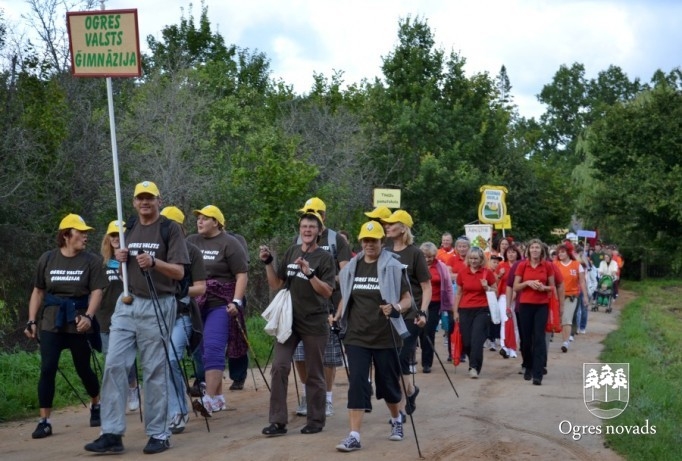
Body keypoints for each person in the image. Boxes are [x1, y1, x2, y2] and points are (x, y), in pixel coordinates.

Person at [85, 181, 190, 455]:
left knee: (155, 369)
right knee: (114, 364)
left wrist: (155, 262)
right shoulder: (129, 226)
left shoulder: (170, 228)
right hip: (127, 303)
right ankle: (111, 433)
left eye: (149, 198)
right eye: (140, 198)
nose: (145, 202)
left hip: (159, 303)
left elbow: (179, 272)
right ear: (133, 202)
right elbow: (123, 270)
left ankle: (158, 433)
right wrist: (121, 258)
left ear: (158, 199)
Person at [25, 214, 106, 439]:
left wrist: (89, 317)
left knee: (83, 367)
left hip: (79, 321)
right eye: (81, 231)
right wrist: (31, 320)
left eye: (86, 231)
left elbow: (97, 291)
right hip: (52, 321)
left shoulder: (91, 261)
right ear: (66, 235)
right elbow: (38, 291)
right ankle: (44, 421)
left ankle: (96, 403)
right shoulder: (47, 259)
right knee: (48, 368)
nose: (85, 235)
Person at [333, 221, 412, 452]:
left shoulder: (394, 267)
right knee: (357, 382)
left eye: (374, 240)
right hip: (357, 336)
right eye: (366, 240)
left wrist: (396, 306)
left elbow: (408, 299)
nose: (369, 244)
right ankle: (354, 435)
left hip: (385, 336)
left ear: (381, 242)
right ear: (361, 242)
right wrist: (337, 316)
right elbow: (346, 297)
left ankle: (397, 420)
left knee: (387, 384)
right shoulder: (350, 269)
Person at [259, 211, 336, 436]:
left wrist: (310, 274)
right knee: (279, 366)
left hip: (314, 321)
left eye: (312, 227)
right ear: (300, 229)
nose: (307, 230)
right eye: (304, 226)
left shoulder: (324, 258)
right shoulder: (292, 251)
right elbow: (276, 284)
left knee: (314, 372)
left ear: (319, 231)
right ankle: (278, 422)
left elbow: (328, 291)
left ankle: (315, 420)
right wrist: (268, 263)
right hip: (289, 320)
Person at [292, 197, 351, 418]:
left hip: (329, 304)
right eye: (306, 215)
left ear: (323, 217)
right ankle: (309, 393)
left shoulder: (337, 240)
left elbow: (345, 274)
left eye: (315, 215)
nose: (309, 224)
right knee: (299, 354)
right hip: (302, 305)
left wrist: (322, 277)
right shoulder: (298, 239)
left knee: (327, 355)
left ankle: (325, 397)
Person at [187, 205, 248, 414]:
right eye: (199, 219)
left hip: (220, 303)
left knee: (213, 346)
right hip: (196, 303)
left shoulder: (230, 243)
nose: (200, 221)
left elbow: (241, 275)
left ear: (217, 222)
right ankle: (219, 397)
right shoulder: (191, 242)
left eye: (205, 218)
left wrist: (237, 301)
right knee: (203, 350)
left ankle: (209, 399)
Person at [159, 206, 207, 435]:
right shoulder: (155, 250)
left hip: (182, 315)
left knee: (171, 359)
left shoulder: (192, 252)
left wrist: (180, 291)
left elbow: (201, 288)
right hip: (156, 315)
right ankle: (167, 409)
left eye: (172, 226)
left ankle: (178, 411)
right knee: (160, 363)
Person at [382, 209, 429, 418]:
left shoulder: (415, 253)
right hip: (388, 314)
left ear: (403, 227)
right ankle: (410, 390)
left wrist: (424, 312)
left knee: (400, 357)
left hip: (410, 315)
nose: (387, 226)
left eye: (392, 224)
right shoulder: (383, 251)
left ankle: (399, 409)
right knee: (392, 359)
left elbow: (426, 286)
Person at [98, 220, 140, 413]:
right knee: (111, 359)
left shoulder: (131, 261)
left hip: (128, 314)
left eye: (120, 235)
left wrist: (122, 263)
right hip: (105, 316)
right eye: (113, 235)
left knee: (127, 359)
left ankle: (133, 389)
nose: (116, 239)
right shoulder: (100, 264)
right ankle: (117, 396)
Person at [513, 239, 556, 386]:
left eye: (538, 247)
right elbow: (515, 287)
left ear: (541, 251)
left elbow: (552, 287)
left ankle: (538, 373)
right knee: (526, 339)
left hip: (541, 305)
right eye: (533, 247)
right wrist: (527, 283)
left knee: (539, 338)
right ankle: (528, 366)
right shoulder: (522, 265)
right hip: (525, 305)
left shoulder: (548, 266)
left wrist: (543, 288)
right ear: (528, 250)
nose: (535, 250)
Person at [453, 247, 497, 379]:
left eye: (476, 258)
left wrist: (487, 287)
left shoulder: (487, 273)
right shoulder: (463, 273)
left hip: (482, 309)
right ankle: (474, 361)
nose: (473, 261)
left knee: (477, 339)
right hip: (465, 309)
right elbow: (459, 293)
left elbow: (495, 291)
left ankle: (474, 367)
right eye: (471, 258)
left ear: (481, 259)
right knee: (467, 341)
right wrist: (455, 311)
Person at [418, 242, 453, 373]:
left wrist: (450, 304)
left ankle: (427, 362)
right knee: (420, 332)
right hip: (419, 302)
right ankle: (421, 352)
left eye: (430, 257)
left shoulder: (441, 267)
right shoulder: (416, 266)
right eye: (425, 256)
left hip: (435, 303)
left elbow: (448, 286)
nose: (427, 259)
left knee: (429, 330)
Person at [553, 244, 589, 353]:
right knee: (557, 319)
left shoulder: (577, 265)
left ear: (568, 253)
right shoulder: (555, 265)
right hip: (556, 296)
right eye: (559, 252)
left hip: (571, 297)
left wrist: (585, 296)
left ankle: (565, 342)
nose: (560, 254)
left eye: (563, 252)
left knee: (567, 319)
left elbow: (582, 281)